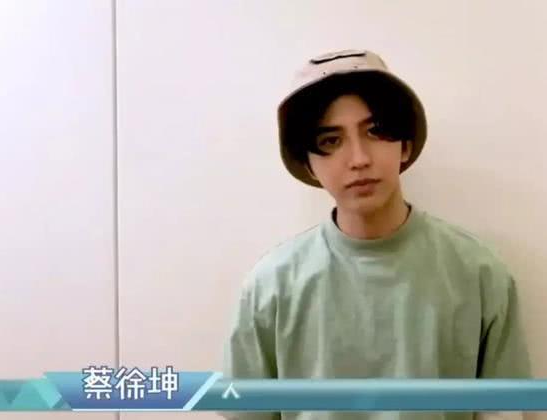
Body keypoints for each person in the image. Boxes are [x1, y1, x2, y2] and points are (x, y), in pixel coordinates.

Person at [221, 49, 531, 420]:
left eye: (375, 131)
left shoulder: (479, 273)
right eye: (330, 141)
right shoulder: (270, 286)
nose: (359, 159)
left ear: (405, 145)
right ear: (309, 165)